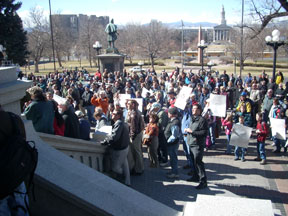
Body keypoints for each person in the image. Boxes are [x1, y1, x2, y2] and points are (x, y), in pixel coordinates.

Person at [101, 109, 131, 186]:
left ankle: (122, 179)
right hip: (125, 146)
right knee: (125, 164)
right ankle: (127, 181)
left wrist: (105, 141)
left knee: (116, 168)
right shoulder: (121, 122)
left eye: (113, 113)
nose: (111, 114)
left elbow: (114, 137)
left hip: (120, 148)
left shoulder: (119, 123)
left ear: (118, 116)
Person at [185, 104, 208, 189]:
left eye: (195, 109)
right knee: (193, 161)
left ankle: (203, 181)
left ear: (199, 110)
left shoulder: (202, 120)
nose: (193, 110)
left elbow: (204, 133)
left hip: (197, 144)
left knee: (198, 162)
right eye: (193, 108)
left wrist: (192, 132)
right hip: (191, 143)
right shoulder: (192, 119)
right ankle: (195, 176)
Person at [126, 99, 145, 175]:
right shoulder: (137, 112)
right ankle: (138, 167)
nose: (127, 105)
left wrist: (132, 136)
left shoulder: (134, 114)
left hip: (135, 135)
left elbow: (133, 127)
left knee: (136, 152)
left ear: (133, 105)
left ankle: (139, 169)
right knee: (138, 151)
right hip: (138, 133)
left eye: (128, 104)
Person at [164, 107, 181, 179]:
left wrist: (168, 141)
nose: (167, 114)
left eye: (168, 113)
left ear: (172, 114)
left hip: (172, 144)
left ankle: (175, 173)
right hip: (171, 143)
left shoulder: (175, 123)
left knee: (173, 158)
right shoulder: (172, 121)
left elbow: (174, 135)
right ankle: (173, 171)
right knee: (172, 157)